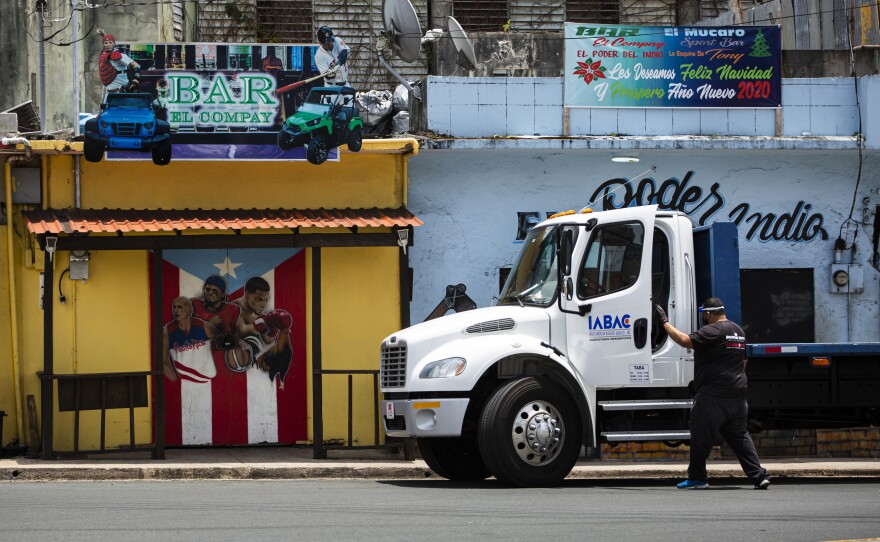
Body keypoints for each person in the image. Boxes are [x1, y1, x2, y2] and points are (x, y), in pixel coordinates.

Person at [655, 297, 770, 490]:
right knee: (740, 436)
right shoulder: (738, 331)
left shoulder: (713, 330)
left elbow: (685, 340)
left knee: (701, 435)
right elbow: (744, 362)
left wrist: (665, 322)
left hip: (714, 395)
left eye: (704, 314)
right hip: (738, 393)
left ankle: (698, 478)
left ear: (708, 313)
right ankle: (759, 476)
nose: (704, 318)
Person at [233, 276, 294, 385]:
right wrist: (265, 321)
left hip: (250, 368)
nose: (263, 304)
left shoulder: (258, 313)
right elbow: (242, 330)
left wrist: (274, 326)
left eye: (266, 299)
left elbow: (267, 340)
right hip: (231, 360)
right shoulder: (235, 307)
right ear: (246, 295)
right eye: (259, 299)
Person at [96, 29, 140, 98]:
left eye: (110, 43)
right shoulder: (104, 54)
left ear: (114, 44)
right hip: (108, 92)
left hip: (121, 92)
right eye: (106, 43)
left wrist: (136, 79)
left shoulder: (120, 56)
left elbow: (137, 66)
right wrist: (104, 35)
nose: (108, 45)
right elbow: (108, 45)